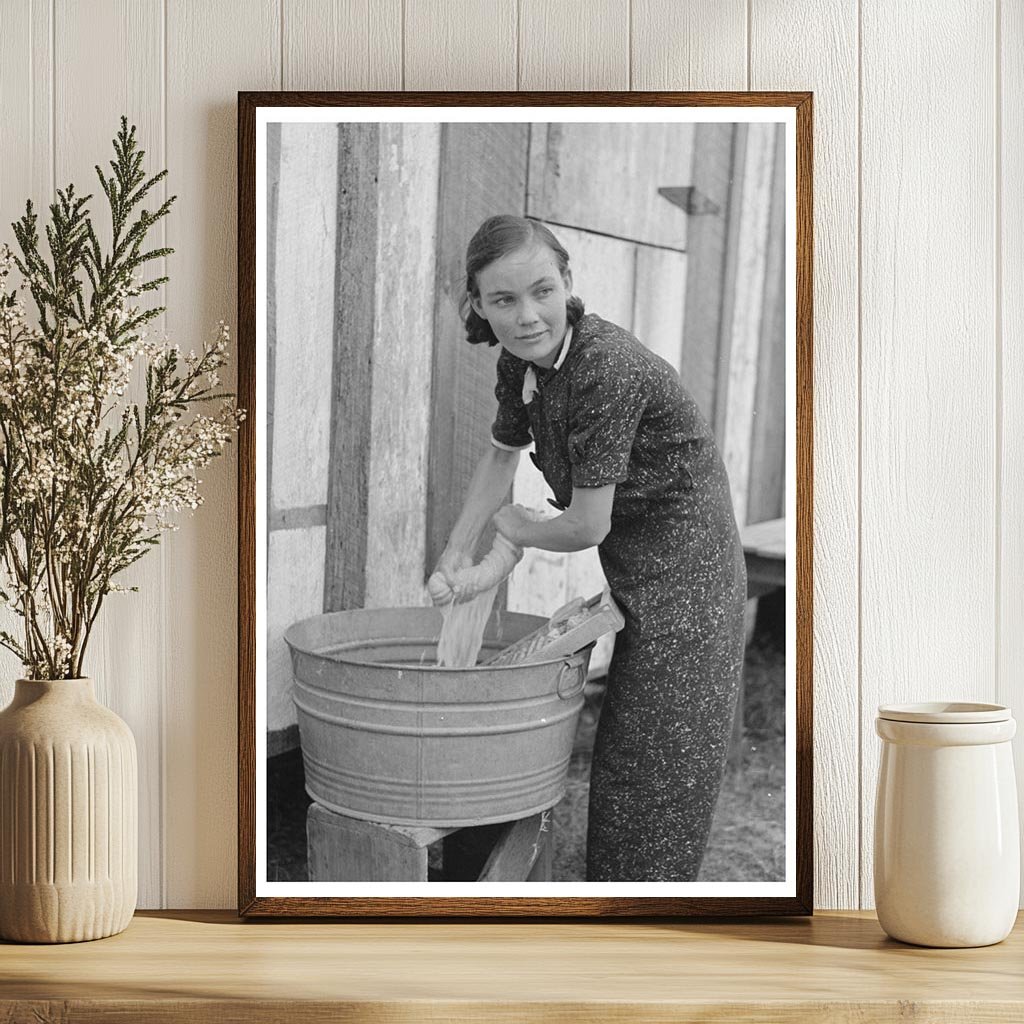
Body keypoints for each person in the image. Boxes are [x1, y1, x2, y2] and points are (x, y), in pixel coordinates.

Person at [430, 214, 747, 882]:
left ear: (568, 281)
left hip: (691, 571)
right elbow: (500, 457)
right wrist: (456, 552)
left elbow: (584, 526)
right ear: (479, 303)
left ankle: (644, 916)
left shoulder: (605, 370)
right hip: (638, 563)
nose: (526, 316)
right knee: (628, 743)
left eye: (542, 291)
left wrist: (516, 530)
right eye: (503, 300)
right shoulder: (522, 358)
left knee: (656, 754)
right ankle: (618, 898)